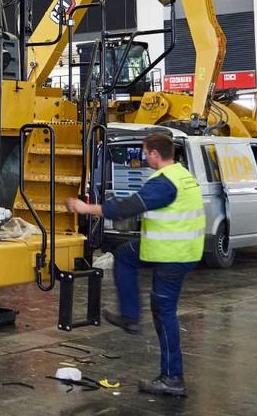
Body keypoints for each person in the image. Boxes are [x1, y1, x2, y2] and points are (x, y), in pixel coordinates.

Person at [66, 131, 204, 397]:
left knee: (164, 312)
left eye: (145, 152)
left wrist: (86, 209)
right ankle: (130, 316)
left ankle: (172, 378)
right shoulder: (184, 176)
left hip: (171, 255)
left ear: (154, 154)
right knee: (125, 255)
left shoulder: (164, 183)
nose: (144, 156)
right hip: (180, 249)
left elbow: (128, 207)